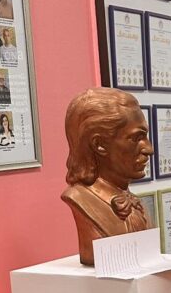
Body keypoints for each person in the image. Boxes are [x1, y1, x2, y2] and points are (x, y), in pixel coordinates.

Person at [61, 88, 154, 264]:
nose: (149, 149)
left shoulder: (136, 204)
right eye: (136, 138)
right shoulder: (81, 200)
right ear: (99, 145)